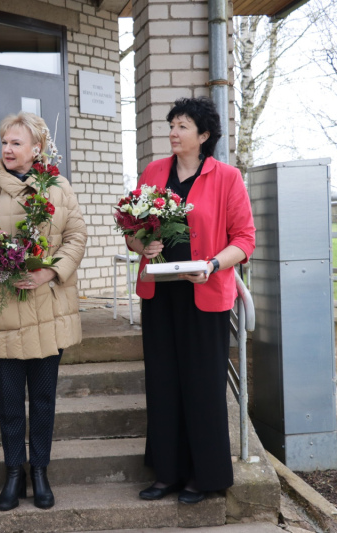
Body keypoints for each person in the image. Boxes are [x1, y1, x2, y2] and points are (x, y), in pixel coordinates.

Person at [125, 97, 255, 504]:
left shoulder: (227, 177)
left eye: (182, 126)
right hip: (159, 293)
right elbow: (132, 230)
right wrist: (140, 245)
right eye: (172, 125)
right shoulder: (153, 172)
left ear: (203, 136)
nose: (173, 133)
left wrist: (214, 264)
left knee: (202, 386)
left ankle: (206, 476)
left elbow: (245, 240)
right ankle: (167, 474)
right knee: (163, 383)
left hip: (206, 293)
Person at [0, 111, 88, 512]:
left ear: (37, 149)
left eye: (17, 143)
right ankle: (14, 470)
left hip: (49, 308)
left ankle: (40, 471)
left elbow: (76, 235)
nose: (8, 149)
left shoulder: (59, 188)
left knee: (45, 399)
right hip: (4, 312)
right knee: (11, 401)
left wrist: (50, 271)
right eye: (5, 142)